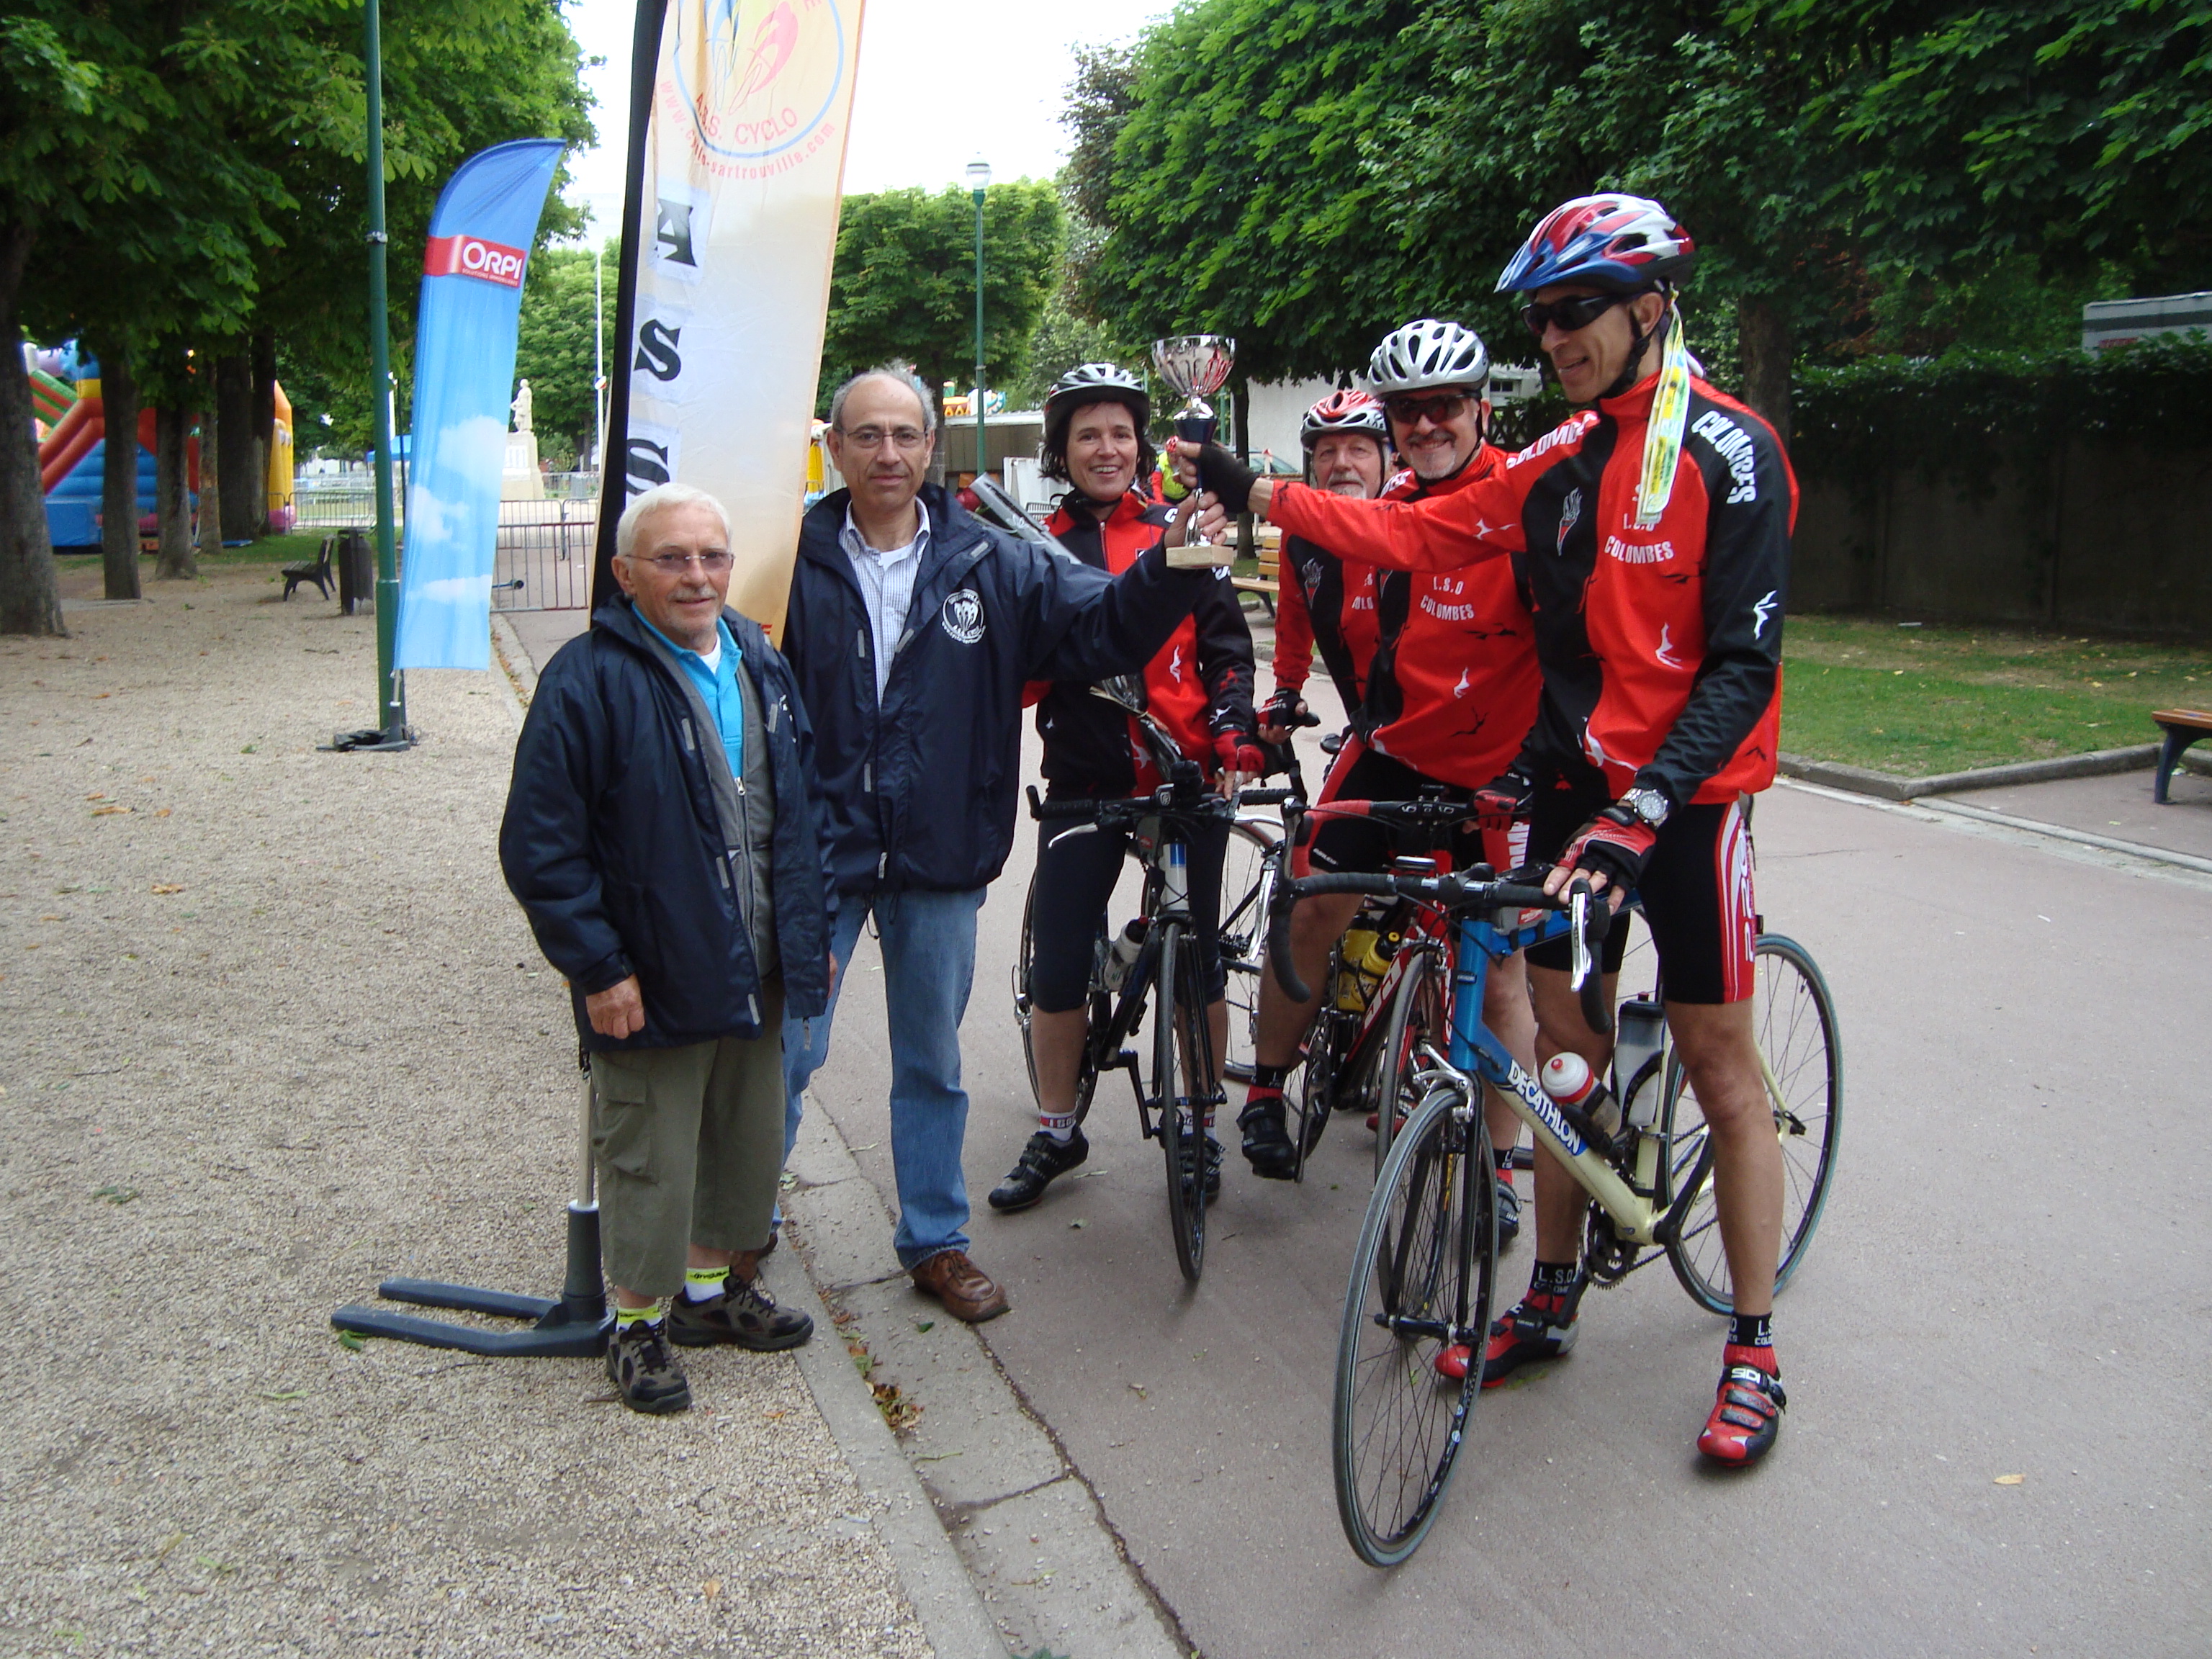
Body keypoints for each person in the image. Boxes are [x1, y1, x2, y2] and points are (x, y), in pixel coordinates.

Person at [1183, 194, 1797, 1466]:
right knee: (1563, 1061)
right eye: (1542, 318)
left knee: (1719, 1067)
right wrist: (1263, 492)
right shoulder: (1564, 452)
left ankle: (1753, 1347)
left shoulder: (1731, 449)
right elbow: (1414, 529)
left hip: (1686, 805)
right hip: (1576, 793)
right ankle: (1552, 1292)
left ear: (1650, 307)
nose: (1556, 335)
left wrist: (1646, 808)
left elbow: (1742, 666)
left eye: (1578, 311)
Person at [779, 361, 1220, 1324]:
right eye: (867, 435)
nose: (888, 453)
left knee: (930, 1061)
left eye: (906, 434)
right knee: (787, 1049)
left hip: (939, 848)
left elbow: (1105, 628)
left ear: (931, 447)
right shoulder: (787, 563)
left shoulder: (992, 560)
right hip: (821, 851)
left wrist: (1171, 562)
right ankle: (738, 1232)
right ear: (835, 448)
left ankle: (935, 1243)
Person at [500, 482, 835, 1415]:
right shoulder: (588, 678)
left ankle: (709, 1294)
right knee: (649, 1150)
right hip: (647, 969)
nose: (697, 576)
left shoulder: (759, 659)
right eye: (672, 558)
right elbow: (540, 845)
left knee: (742, 1136)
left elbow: (801, 813)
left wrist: (807, 931)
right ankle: (637, 1323)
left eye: (712, 556)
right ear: (624, 573)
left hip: (757, 958)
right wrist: (598, 968)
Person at [1236, 324, 1541, 1230]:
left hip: (1501, 769)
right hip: (1396, 746)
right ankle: (1266, 1089)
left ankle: (1499, 1170)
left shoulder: (1528, 498)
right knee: (1309, 903)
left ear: (1481, 409)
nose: (1427, 423)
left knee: (1502, 971)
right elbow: (1325, 602)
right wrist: (1284, 694)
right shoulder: (1391, 511)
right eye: (1409, 411)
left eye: (1445, 406)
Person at [986, 364, 1261, 1214]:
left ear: (1142, 446)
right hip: (1086, 779)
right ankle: (1057, 1127)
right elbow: (1019, 673)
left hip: (1185, 776)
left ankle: (1201, 1124)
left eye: (1120, 433)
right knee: (1060, 961)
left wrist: (1235, 729)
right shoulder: (1034, 547)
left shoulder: (1183, 529)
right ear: (1060, 451)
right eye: (1086, 435)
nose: (1106, 449)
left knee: (1199, 961)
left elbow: (1228, 648)